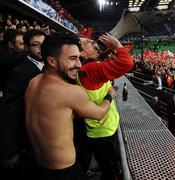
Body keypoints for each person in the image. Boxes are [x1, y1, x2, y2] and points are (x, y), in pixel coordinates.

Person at [25, 33, 115, 180]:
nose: (79, 65)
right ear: (52, 61)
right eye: (72, 59)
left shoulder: (33, 82)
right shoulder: (70, 92)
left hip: (37, 167)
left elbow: (55, 114)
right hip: (64, 172)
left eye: (79, 58)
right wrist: (110, 95)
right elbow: (99, 113)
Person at [78, 34, 134, 180]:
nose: (92, 41)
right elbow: (126, 63)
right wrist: (116, 45)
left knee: (108, 169)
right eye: (87, 43)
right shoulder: (91, 69)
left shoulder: (86, 67)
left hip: (98, 131)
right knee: (113, 173)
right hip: (104, 133)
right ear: (82, 54)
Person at [0, 29, 45, 179]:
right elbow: (9, 113)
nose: (41, 49)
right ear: (26, 47)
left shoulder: (50, 65)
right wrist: (9, 151)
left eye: (44, 45)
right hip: (26, 143)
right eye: (36, 45)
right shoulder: (20, 72)